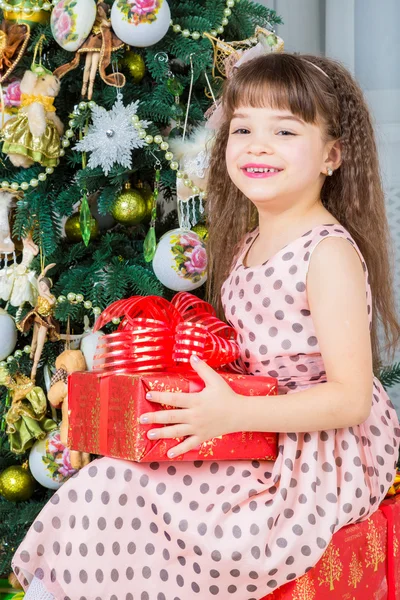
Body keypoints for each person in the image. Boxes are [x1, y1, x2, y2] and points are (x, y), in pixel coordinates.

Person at [14, 52, 400, 600]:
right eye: (243, 127)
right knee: (110, 480)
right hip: (254, 423)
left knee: (122, 492)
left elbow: (350, 400)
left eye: (284, 130)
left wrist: (236, 411)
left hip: (316, 452)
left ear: (332, 155)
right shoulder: (246, 243)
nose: (257, 145)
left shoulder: (327, 253)